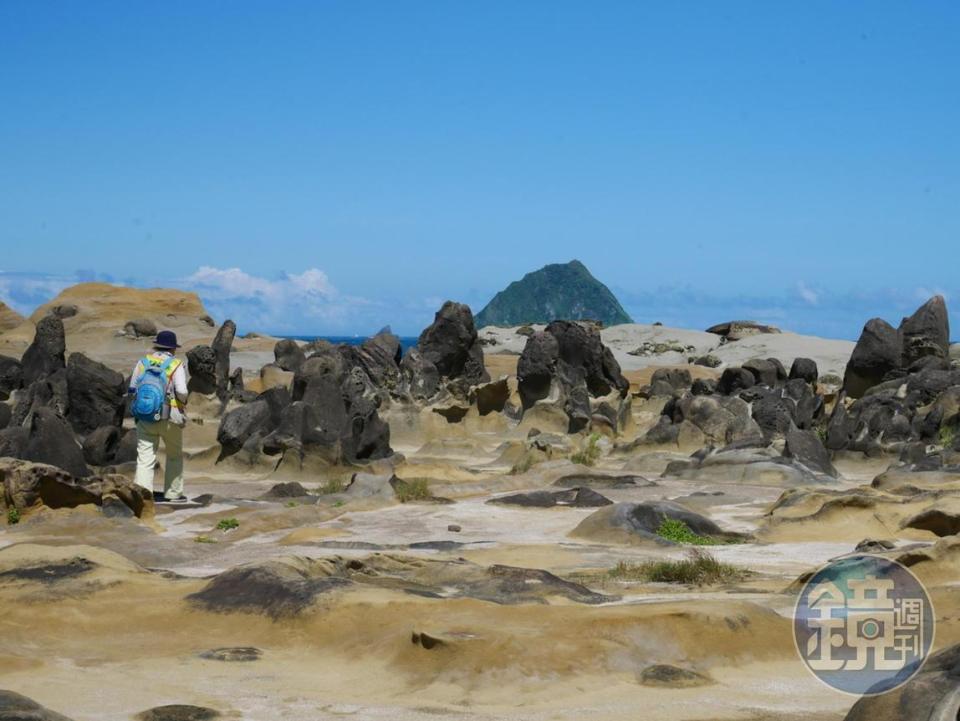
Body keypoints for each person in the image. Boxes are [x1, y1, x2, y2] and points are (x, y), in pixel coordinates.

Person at [129, 330, 189, 501]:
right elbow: (181, 391)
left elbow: (132, 388)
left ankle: (142, 495)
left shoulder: (143, 362)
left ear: (156, 345)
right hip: (170, 416)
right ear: (173, 349)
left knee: (145, 458)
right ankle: (173, 493)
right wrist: (183, 402)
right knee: (174, 455)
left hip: (145, 416)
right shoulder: (176, 364)